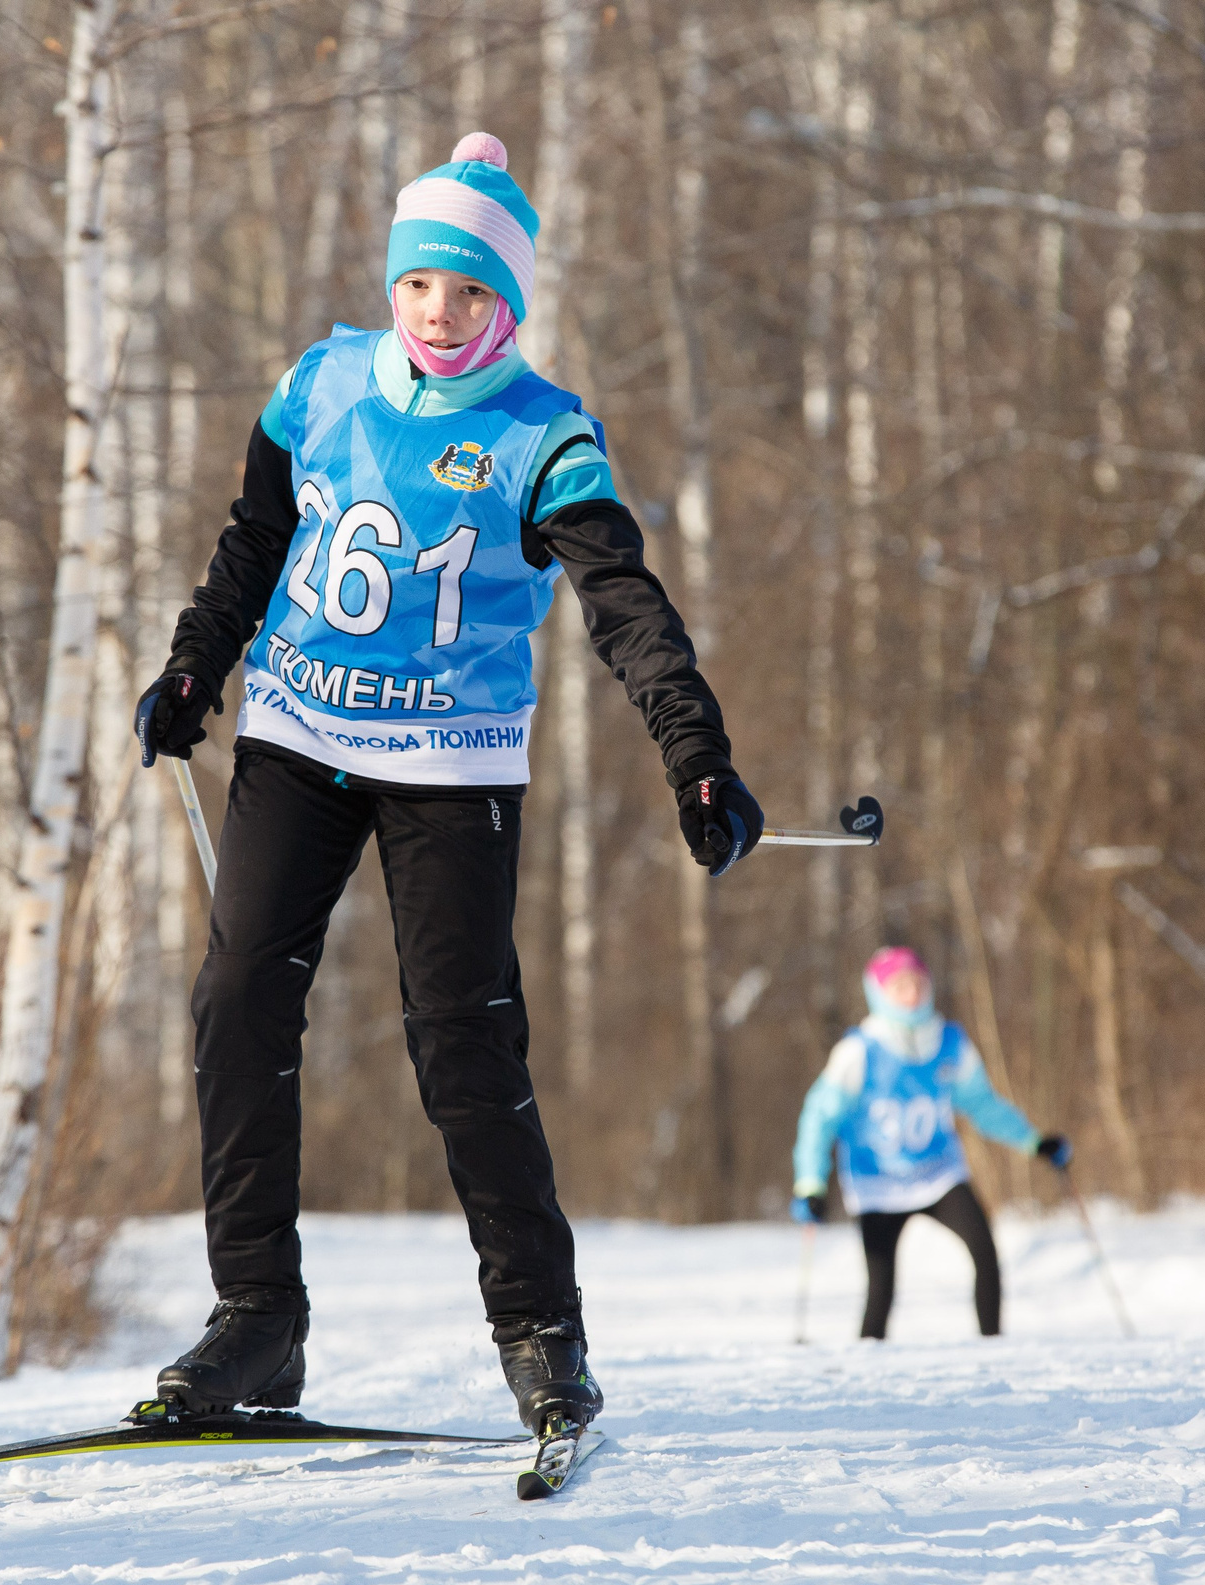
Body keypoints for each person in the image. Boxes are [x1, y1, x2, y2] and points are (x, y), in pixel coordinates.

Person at [134, 134, 762, 1434]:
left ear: (508, 306)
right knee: (239, 997)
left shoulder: (544, 434)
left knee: (462, 1039)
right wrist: (197, 670)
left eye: (472, 293)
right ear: (396, 280)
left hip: (450, 763)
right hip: (298, 732)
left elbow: (626, 605)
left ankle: (541, 1329)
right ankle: (257, 1319)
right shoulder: (318, 382)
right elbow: (254, 541)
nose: (440, 313)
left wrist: (695, 754)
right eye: (423, 284)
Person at [791, 947, 1069, 1339]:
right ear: (878, 993)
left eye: (918, 983)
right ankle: (868, 1365)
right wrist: (810, 1182)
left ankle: (994, 1347)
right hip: (877, 1183)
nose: (912, 994)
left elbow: (982, 1105)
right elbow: (819, 1119)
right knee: (881, 1284)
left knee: (985, 1252)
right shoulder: (859, 1051)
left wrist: (1034, 1142)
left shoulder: (950, 1042)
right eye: (900, 986)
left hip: (937, 1172)